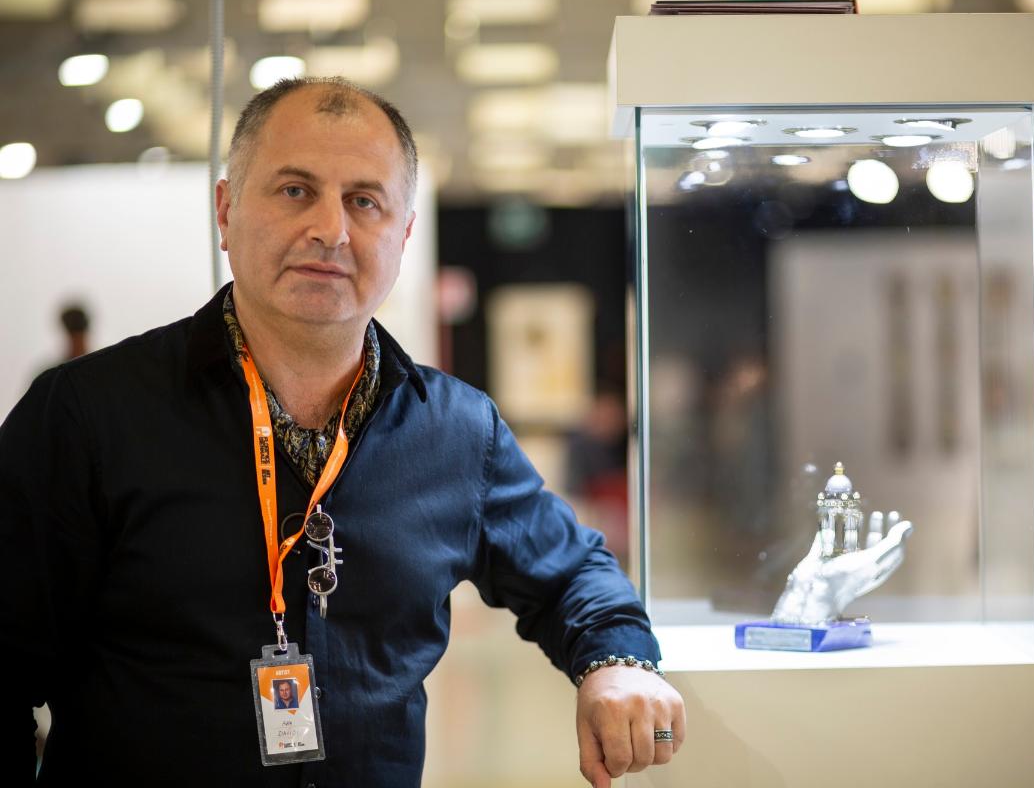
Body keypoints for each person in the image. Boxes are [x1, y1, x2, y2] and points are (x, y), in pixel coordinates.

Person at [2, 77, 684, 787]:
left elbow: (570, 572)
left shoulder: (457, 432)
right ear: (226, 210)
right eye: (295, 190)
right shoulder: (88, 416)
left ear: (404, 234)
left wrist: (617, 663)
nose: (330, 230)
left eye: (364, 201)